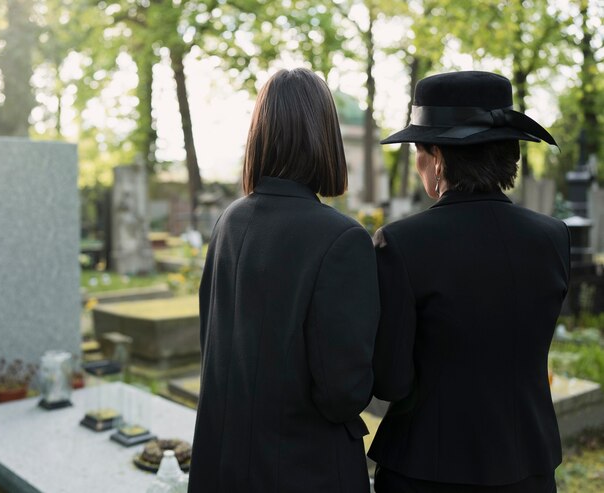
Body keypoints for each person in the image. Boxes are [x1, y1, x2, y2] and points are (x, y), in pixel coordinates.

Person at [369, 71, 569, 493]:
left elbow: (391, 379)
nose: (418, 162)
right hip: (528, 463)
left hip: (427, 468)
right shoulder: (554, 237)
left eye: (418, 151)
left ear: (437, 156)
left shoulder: (401, 244)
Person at [188, 68, 380, 492]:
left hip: (226, 460)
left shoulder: (229, 221)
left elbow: (215, 347)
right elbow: (342, 392)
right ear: (324, 137)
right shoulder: (341, 238)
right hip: (302, 467)